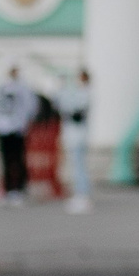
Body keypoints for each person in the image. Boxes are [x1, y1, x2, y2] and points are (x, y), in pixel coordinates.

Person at [0, 68, 36, 207]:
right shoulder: (1, 87)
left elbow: (30, 107)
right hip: (3, 129)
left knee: (18, 159)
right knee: (6, 161)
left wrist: (24, 123)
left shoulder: (23, 88)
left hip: (17, 129)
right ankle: (7, 189)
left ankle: (19, 188)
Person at [53, 68, 93, 213]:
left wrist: (62, 91)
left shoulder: (85, 93)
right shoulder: (80, 93)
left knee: (79, 167)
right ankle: (80, 194)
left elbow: (72, 111)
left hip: (78, 136)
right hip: (75, 136)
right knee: (76, 167)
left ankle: (82, 195)